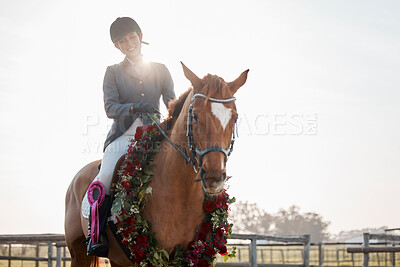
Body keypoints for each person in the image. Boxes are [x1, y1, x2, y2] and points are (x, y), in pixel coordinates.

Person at [85, 17, 176, 256]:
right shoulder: (112, 72)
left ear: (141, 37)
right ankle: (96, 235)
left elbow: (171, 103)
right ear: (117, 46)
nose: (128, 43)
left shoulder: (161, 69)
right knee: (106, 172)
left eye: (131, 38)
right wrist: (135, 107)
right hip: (124, 133)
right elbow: (110, 108)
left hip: (155, 132)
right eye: (122, 41)